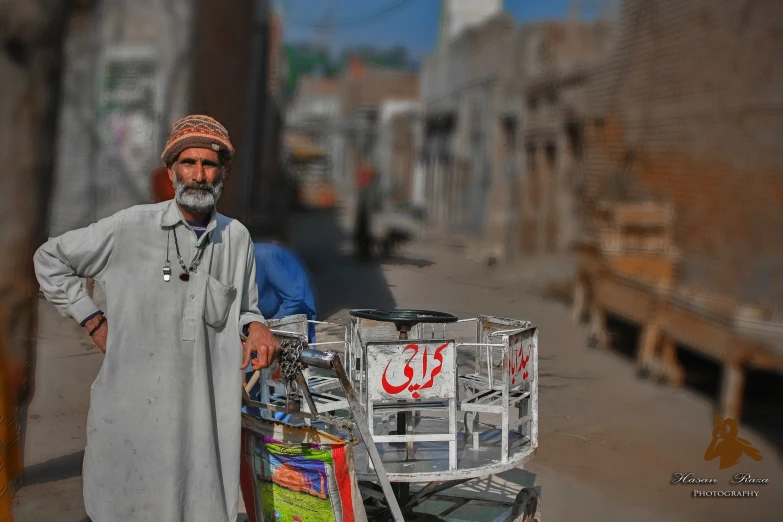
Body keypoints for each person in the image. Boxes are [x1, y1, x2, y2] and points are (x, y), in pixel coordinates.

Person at [33, 114, 280, 522]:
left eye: (209, 164)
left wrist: (256, 326)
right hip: (133, 418)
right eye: (188, 163)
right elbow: (50, 258)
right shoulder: (130, 227)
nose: (199, 175)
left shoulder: (236, 238)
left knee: (199, 506)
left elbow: (246, 309)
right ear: (171, 171)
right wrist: (93, 320)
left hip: (205, 422)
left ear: (225, 173)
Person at [242, 238, 317, 420]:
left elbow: (295, 297)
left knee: (289, 371)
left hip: (293, 311)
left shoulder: (266, 257)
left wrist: (268, 326)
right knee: (252, 365)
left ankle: (283, 424)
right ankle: (251, 418)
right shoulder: (230, 267)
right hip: (262, 314)